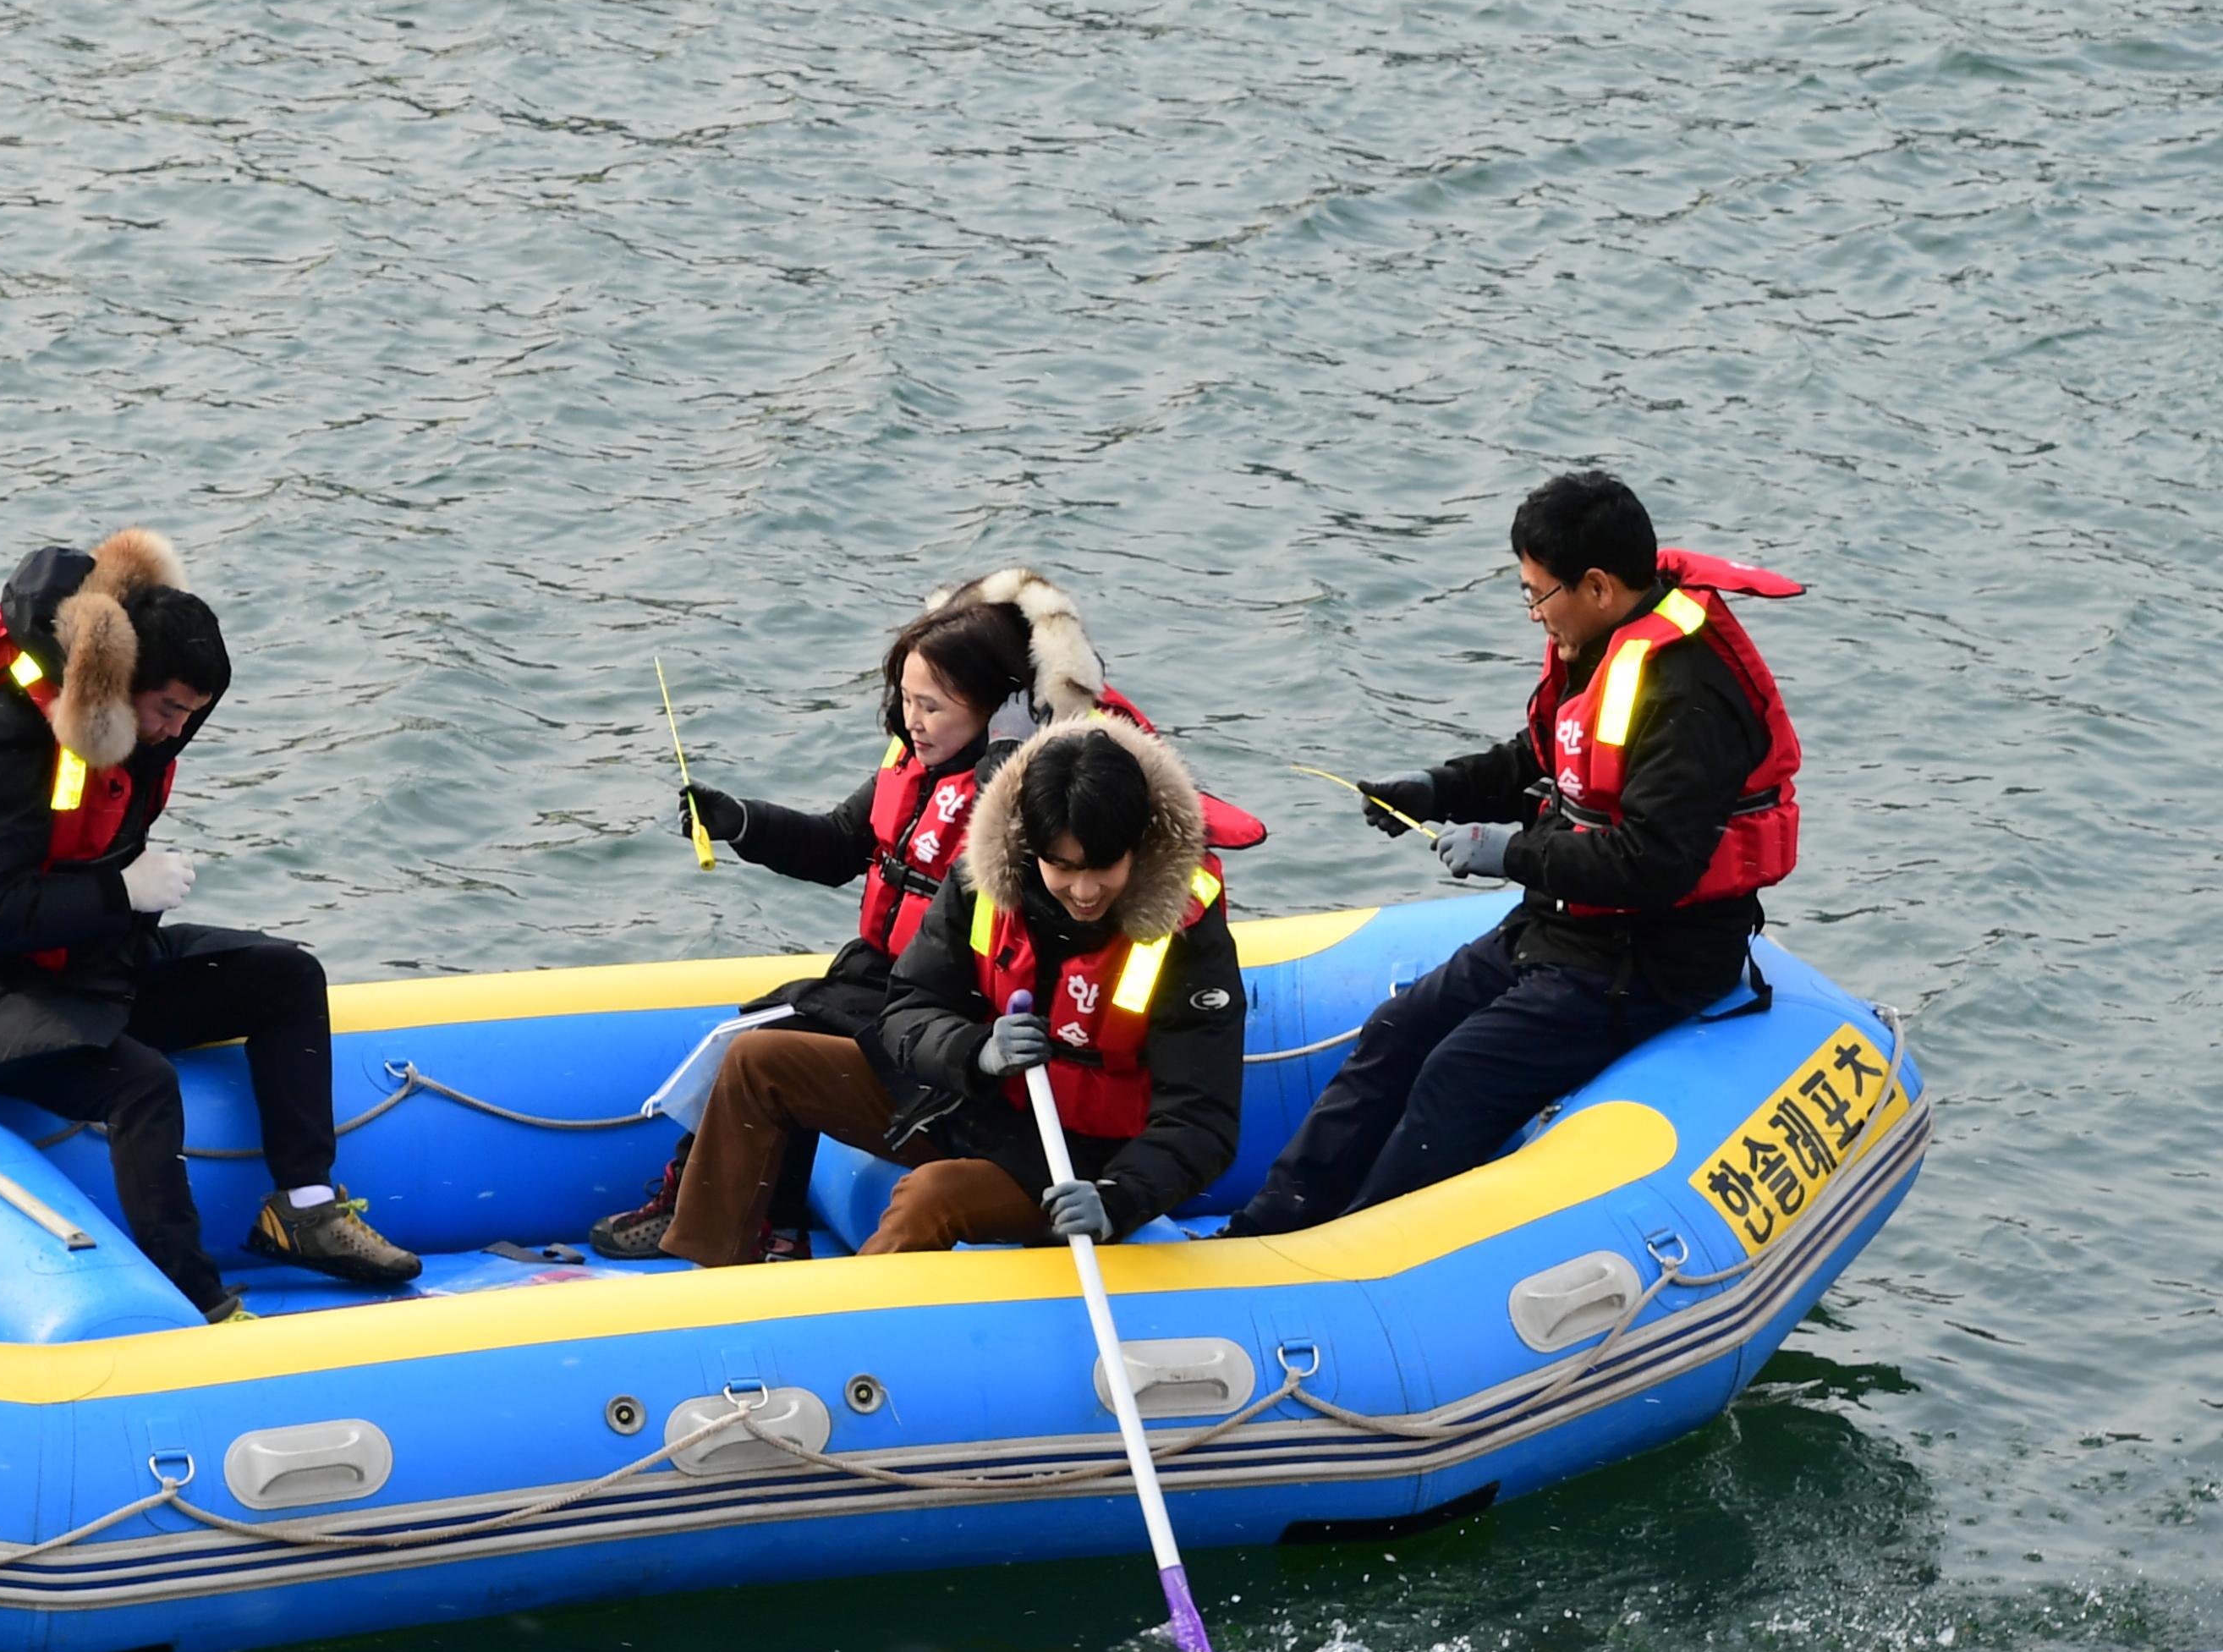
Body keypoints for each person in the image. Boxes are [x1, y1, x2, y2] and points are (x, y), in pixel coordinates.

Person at [1225, 470, 1803, 1235]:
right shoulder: (1599, 647)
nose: (1534, 614)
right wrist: (1434, 791)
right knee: (1398, 1032)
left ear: (1595, 586)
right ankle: (1270, 1227)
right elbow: (1539, 758)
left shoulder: (1690, 695)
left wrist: (1508, 853)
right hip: (1563, 927)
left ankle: (1355, 1251)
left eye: (1538, 594)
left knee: (1458, 1076)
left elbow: (1654, 864)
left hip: (1650, 957)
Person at [0, 529, 419, 1322]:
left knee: (288, 977)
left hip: (89, 964)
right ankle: (197, 1300)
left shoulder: (132, 731)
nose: (175, 731)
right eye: (169, 708)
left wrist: (118, 903)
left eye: (191, 715)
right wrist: (120, 890)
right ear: (121, 679)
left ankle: (304, 1209)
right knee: (143, 1085)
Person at [589, 569, 1101, 1260]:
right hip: (883, 983)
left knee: (800, 1024)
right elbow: (837, 844)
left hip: (950, 1016)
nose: (911, 720)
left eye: (932, 707)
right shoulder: (916, 763)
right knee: (777, 1020)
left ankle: (758, 1223)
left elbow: (1007, 870)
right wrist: (742, 822)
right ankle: (743, 1220)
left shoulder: (1033, 802)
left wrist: (1009, 760)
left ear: (1000, 708)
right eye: (907, 701)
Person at [661, 716, 1246, 1264]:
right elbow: (910, 1005)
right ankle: (715, 1279)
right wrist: (976, 1051)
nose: (1085, 889)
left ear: (1136, 847)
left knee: (930, 1196)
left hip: (1079, 1162)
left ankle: (842, 1339)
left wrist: (1117, 1197)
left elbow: (1201, 1119)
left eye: (1103, 866)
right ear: (1031, 847)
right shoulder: (984, 880)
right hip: (973, 1104)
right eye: (1062, 866)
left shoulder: (1188, 935)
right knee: (760, 1060)